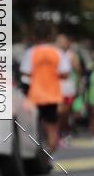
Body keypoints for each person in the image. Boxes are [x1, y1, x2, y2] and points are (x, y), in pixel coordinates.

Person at [20, 23, 71, 153]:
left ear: (34, 37)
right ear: (49, 36)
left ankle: (41, 151)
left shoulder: (31, 53)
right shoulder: (57, 52)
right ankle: (49, 152)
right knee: (52, 128)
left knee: (37, 127)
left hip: (35, 96)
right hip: (53, 95)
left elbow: (25, 72)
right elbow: (65, 73)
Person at [56, 33, 81, 145]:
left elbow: (78, 70)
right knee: (59, 112)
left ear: (68, 43)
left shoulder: (72, 54)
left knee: (65, 112)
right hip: (56, 87)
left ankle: (65, 132)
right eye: (59, 41)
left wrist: (78, 85)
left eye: (63, 41)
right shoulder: (55, 53)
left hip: (68, 87)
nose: (61, 44)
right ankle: (60, 133)